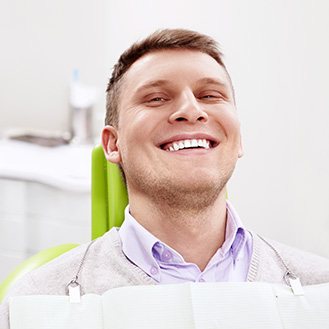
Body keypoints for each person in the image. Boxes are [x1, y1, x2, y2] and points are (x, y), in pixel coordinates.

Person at [1, 28, 328, 328]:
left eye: (211, 95)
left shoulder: (320, 287)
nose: (191, 109)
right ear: (113, 145)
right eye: (156, 98)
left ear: (238, 138)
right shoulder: (36, 303)